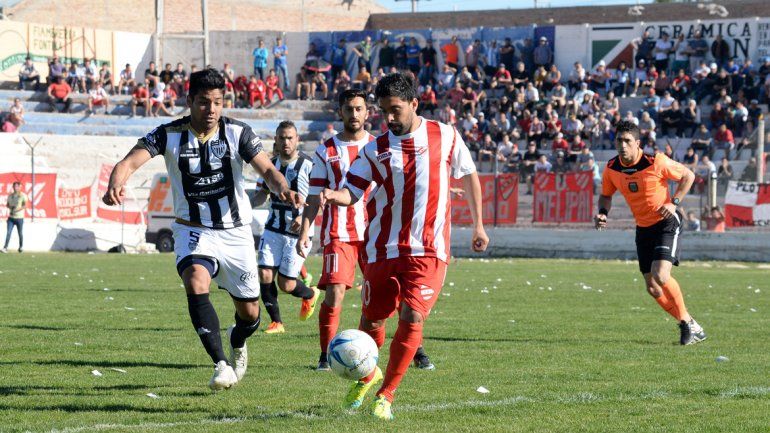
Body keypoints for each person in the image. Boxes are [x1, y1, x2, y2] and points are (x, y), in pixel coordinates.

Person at [102, 69, 301, 389]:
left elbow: (268, 170)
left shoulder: (239, 133)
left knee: (249, 315)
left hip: (236, 232)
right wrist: (117, 180)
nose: (211, 110)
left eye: (218, 102)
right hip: (193, 229)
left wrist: (284, 190)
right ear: (189, 101)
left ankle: (238, 342)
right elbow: (128, 162)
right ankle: (221, 364)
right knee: (195, 281)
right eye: (204, 102)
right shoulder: (167, 134)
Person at [321, 73, 489, 420]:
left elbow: (469, 174)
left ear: (414, 104)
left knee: (412, 316)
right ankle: (368, 374)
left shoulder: (445, 135)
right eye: (384, 112)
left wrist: (478, 224)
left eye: (395, 110)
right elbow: (351, 191)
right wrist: (331, 195)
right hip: (382, 248)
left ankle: (387, 395)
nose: (390, 119)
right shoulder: (375, 148)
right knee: (371, 321)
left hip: (428, 250)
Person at [595, 120, 706, 346]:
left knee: (661, 275)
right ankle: (692, 325)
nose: (622, 145)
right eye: (619, 140)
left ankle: (686, 323)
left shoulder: (656, 161)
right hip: (643, 227)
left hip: (666, 222)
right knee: (653, 288)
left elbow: (688, 176)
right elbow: (606, 194)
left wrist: (674, 202)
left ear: (637, 144)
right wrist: (603, 212)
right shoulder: (612, 168)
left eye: (627, 141)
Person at [252, 121, 320, 334]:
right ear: (276, 140)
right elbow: (261, 194)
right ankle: (277, 322)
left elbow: (317, 198)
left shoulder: (309, 165)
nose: (286, 142)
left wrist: (303, 219)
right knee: (264, 274)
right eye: (281, 138)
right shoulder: (270, 166)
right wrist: (242, 204)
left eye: (290, 137)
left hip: (299, 232)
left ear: (297, 139)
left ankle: (309, 294)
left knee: (287, 285)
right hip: (273, 227)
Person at [2, 182, 27, 253]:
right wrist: (11, 207)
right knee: (8, 232)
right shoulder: (10, 196)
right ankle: (5, 248)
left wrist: (17, 209)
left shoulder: (23, 195)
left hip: (19, 218)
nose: (15, 188)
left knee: (20, 233)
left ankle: (21, 247)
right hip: (11, 218)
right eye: (14, 186)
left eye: (17, 186)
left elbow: (25, 205)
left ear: (20, 187)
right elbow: (7, 205)